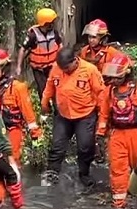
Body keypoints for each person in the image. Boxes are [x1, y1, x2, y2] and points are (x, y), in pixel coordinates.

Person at [96, 54, 137, 208]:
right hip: (117, 134)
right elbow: (104, 115)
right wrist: (100, 135)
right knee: (117, 169)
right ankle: (119, 203)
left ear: (127, 72)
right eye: (112, 77)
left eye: (116, 77)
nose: (113, 80)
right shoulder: (109, 92)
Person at [41, 47, 105, 187]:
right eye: (62, 69)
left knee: (85, 147)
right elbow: (50, 86)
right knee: (57, 146)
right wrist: (45, 102)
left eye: (67, 68)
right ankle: (52, 174)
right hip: (63, 115)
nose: (64, 71)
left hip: (85, 115)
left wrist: (103, 118)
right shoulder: (56, 68)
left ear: (75, 60)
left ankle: (84, 173)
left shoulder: (90, 70)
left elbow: (101, 94)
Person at [0, 49, 42, 165]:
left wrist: (36, 135)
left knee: (13, 160)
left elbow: (28, 113)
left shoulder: (17, 88)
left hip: (13, 130)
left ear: (4, 68)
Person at [16, 8, 62, 98]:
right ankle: (46, 109)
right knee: (43, 91)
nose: (53, 24)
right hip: (39, 70)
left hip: (52, 67)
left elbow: (60, 45)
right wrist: (18, 67)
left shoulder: (54, 33)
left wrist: (62, 62)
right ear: (45, 23)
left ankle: (57, 110)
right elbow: (22, 49)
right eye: (51, 22)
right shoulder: (33, 36)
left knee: (56, 90)